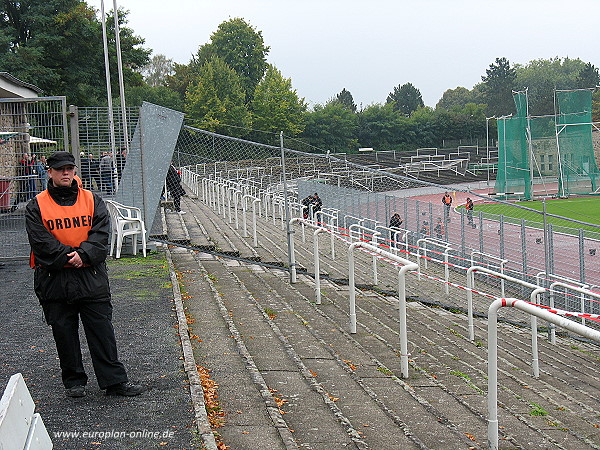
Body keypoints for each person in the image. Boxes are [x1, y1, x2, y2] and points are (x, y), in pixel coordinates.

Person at [25, 151, 143, 398]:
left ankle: (114, 381)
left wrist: (85, 255)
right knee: (63, 332)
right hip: (54, 279)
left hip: (90, 275)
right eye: (60, 169)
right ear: (50, 172)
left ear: (75, 170)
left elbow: (101, 234)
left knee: (101, 330)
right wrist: (71, 256)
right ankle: (74, 381)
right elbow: (40, 241)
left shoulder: (92, 200)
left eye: (69, 168)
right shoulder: (36, 205)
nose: (65, 173)